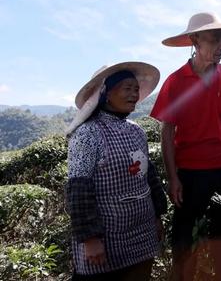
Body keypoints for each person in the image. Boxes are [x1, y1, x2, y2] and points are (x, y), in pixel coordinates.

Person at [150, 12, 221, 280]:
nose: (220, 46)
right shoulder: (176, 81)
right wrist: (173, 178)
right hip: (192, 172)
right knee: (184, 238)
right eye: (214, 39)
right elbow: (167, 131)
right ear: (195, 40)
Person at [65, 61, 166, 281]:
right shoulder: (87, 134)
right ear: (106, 94)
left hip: (142, 233)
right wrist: (90, 239)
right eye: (127, 88)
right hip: (107, 239)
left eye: (136, 89)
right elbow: (78, 189)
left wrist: (158, 215)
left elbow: (149, 175)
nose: (134, 94)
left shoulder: (136, 131)